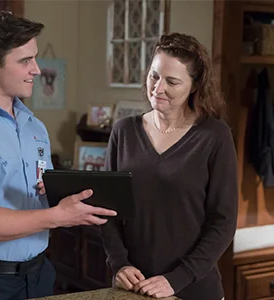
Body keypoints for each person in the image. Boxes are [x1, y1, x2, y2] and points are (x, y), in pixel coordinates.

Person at [0, 11, 116, 300]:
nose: (37, 70)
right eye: (25, 61)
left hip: (37, 275)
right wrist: (56, 216)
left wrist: (61, 194)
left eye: (35, 58)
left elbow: (39, 192)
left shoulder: (34, 127)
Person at [101, 32, 238, 300]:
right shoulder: (124, 131)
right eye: (154, 75)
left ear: (195, 86)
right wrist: (118, 263)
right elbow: (108, 210)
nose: (157, 88)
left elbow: (223, 223)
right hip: (133, 287)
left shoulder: (214, 136)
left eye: (172, 81)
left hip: (194, 289)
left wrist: (177, 279)